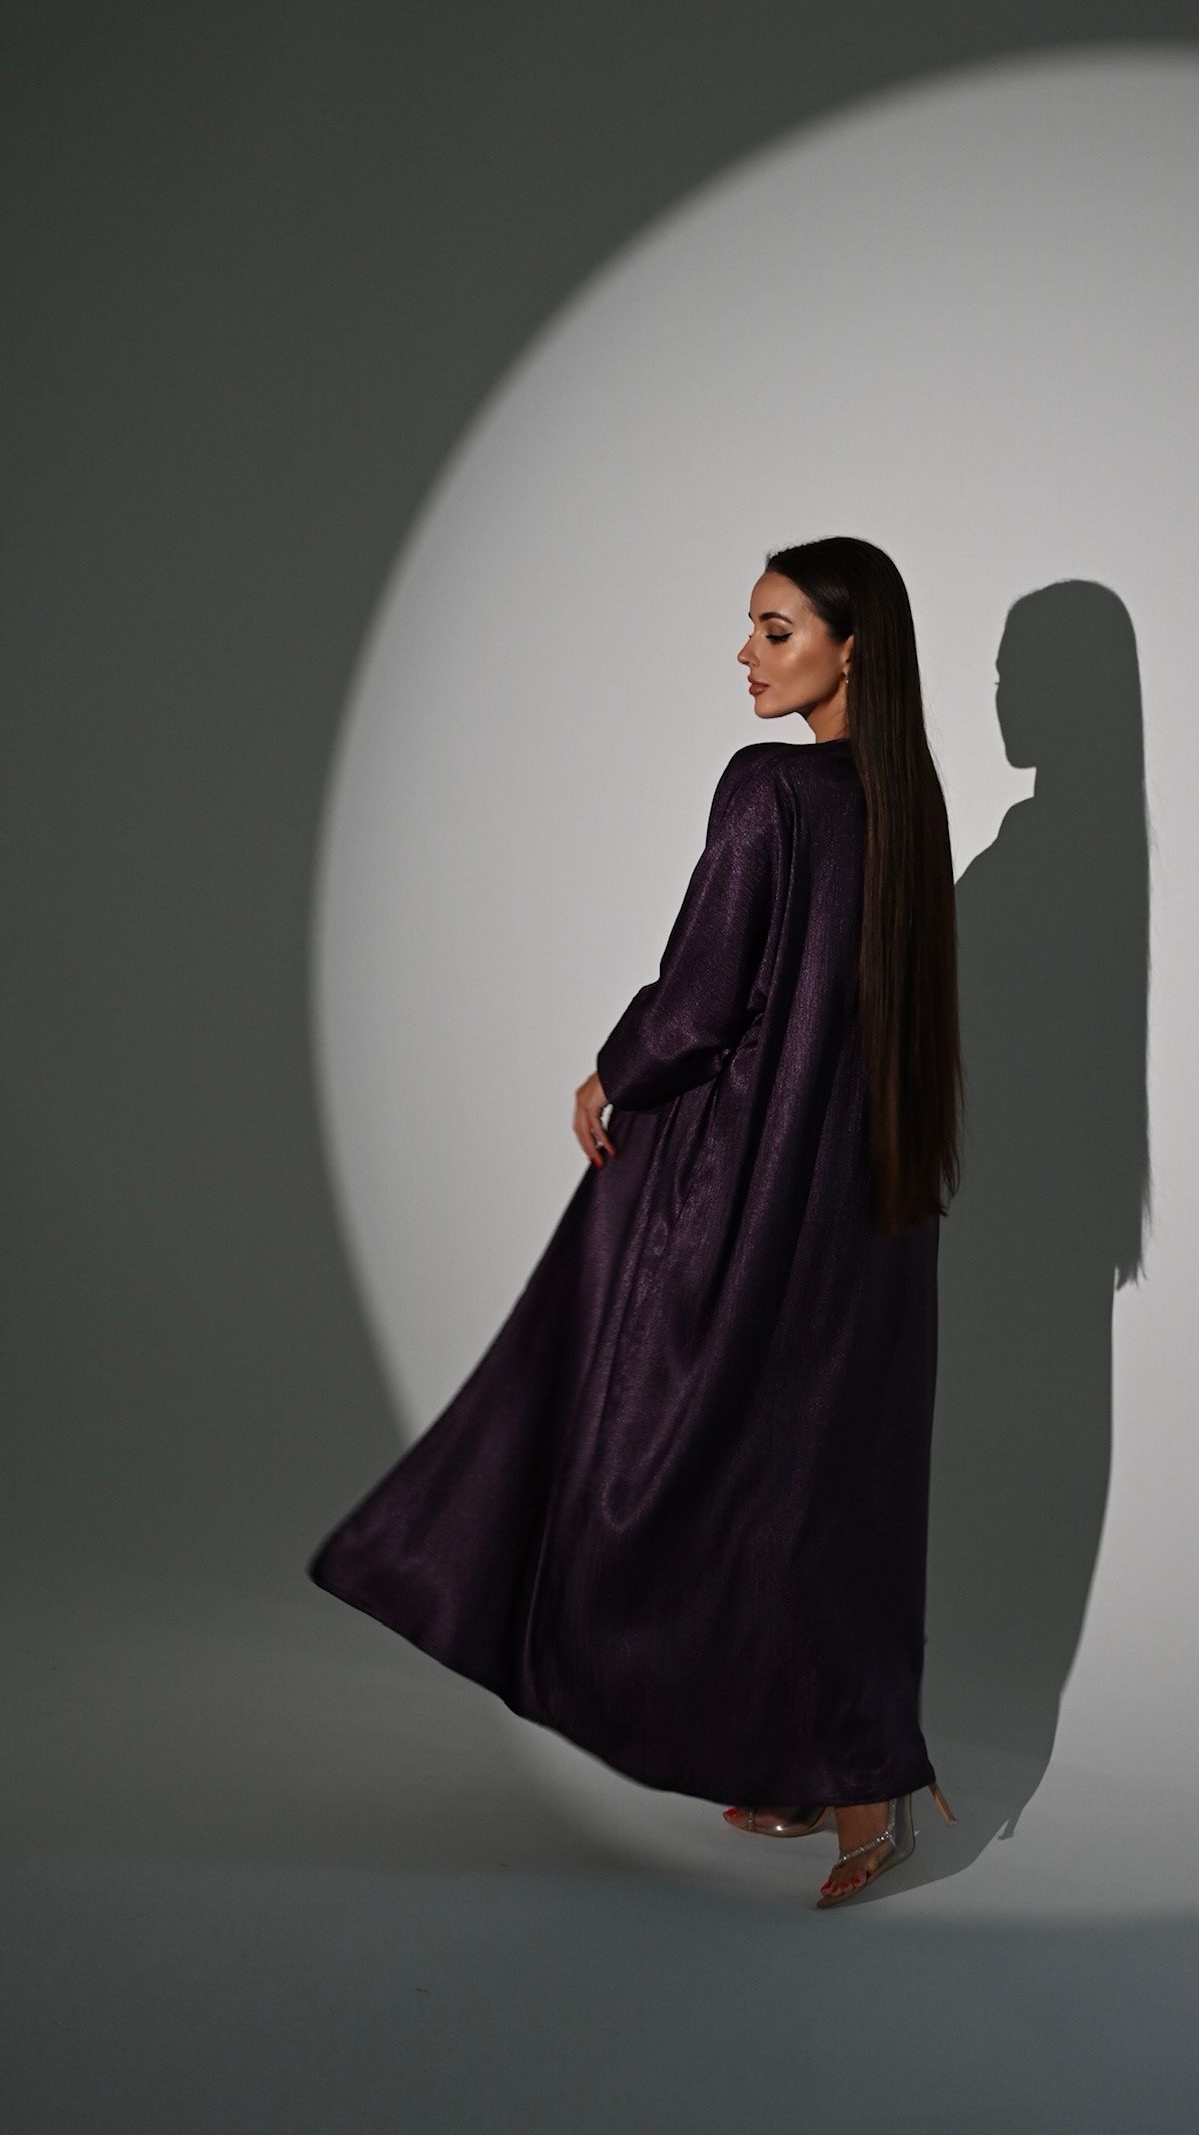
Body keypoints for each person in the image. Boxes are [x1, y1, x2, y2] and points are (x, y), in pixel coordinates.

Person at [309, 534, 963, 1907]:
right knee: (816, 1473)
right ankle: (826, 1767)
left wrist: (614, 1073)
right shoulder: (908, 806)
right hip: (868, 1210)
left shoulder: (771, 789)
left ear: (852, 647)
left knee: (619, 1435)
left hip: (745, 1188)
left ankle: (848, 1776)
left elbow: (704, 995)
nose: (746, 656)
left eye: (776, 630)